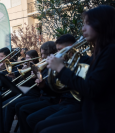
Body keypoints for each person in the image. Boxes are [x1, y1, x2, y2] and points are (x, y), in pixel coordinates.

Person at [38, 5, 115, 133]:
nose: (83, 28)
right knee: (41, 126)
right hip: (91, 113)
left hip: (101, 120)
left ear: (102, 24)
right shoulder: (101, 51)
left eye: (87, 24)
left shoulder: (111, 51)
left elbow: (90, 89)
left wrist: (61, 69)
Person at [18, 34, 89, 133]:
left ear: (71, 47)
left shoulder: (84, 62)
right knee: (31, 118)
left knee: (45, 124)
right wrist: (43, 86)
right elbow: (57, 90)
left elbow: (83, 87)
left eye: (60, 50)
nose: (58, 54)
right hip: (63, 102)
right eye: (57, 50)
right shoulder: (63, 63)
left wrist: (61, 70)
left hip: (76, 104)